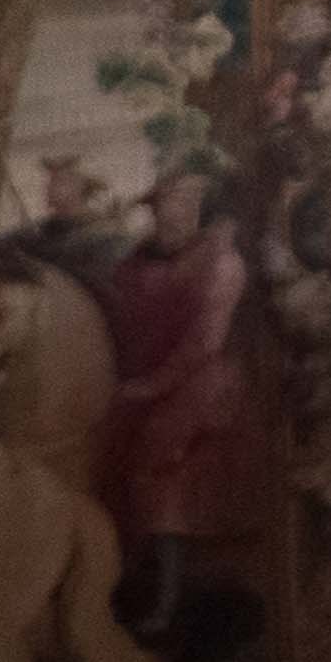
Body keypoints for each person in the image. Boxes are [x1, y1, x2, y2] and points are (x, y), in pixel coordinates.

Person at [96, 166, 251, 619]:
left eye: (181, 206)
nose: (169, 216)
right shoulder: (135, 265)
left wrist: (150, 386)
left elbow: (204, 342)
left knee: (161, 460)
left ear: (200, 211)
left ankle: (169, 599)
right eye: (162, 207)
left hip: (198, 385)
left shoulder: (222, 264)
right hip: (143, 380)